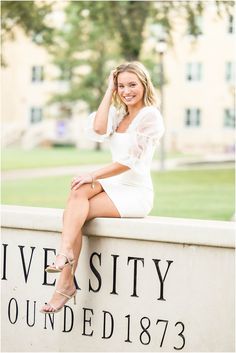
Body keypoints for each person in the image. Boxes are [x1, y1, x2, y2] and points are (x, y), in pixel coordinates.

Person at [40, 61, 165, 313]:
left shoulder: (149, 115)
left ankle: (64, 281)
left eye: (132, 84)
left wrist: (93, 174)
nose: (127, 91)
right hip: (114, 185)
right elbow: (98, 129)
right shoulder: (120, 114)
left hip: (135, 192)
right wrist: (109, 90)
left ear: (144, 84)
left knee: (73, 211)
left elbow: (130, 161)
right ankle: (65, 262)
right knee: (77, 194)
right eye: (121, 86)